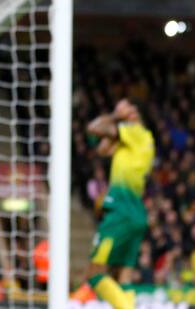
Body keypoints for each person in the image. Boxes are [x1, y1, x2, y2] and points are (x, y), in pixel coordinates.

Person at [73, 99, 155, 309]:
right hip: (136, 213)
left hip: (120, 212)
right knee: (122, 275)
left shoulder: (135, 132)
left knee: (94, 274)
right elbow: (102, 149)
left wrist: (116, 116)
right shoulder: (139, 141)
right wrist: (117, 123)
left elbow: (93, 127)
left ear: (133, 114)